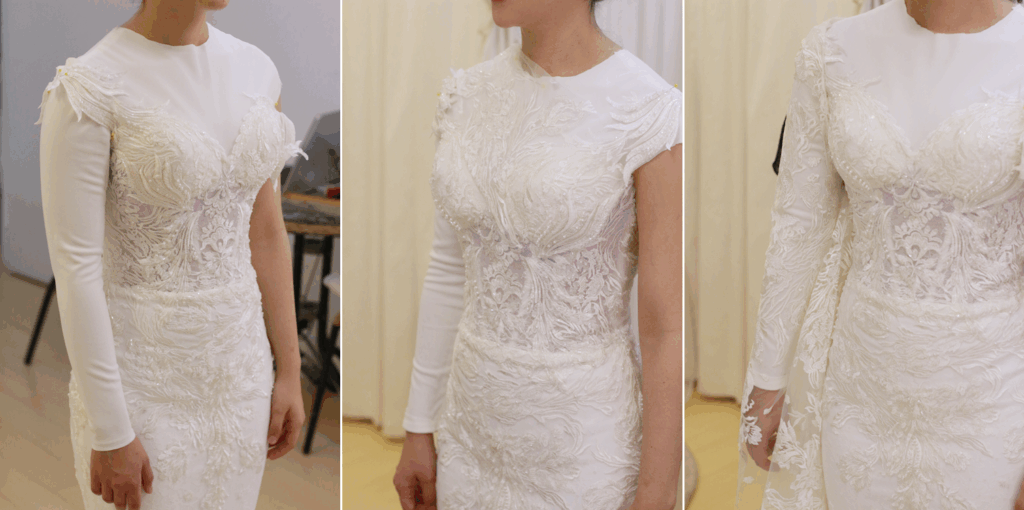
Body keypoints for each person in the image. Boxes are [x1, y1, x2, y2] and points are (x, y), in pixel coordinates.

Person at [391, 0, 683, 508]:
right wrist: (419, 425)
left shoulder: (647, 108)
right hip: (469, 432)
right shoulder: (466, 96)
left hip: (581, 447)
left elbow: (665, 328)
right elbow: (449, 270)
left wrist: (656, 495)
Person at [738, 0, 1024, 508]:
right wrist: (768, 377)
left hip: (991, 398)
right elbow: (799, 225)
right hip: (861, 393)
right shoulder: (832, 51)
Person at [36, 1, 308, 509]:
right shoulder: (89, 88)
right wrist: (110, 430)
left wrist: (289, 369)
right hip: (143, 389)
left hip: (241, 379)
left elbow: (267, 232)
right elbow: (76, 270)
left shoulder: (257, 70)